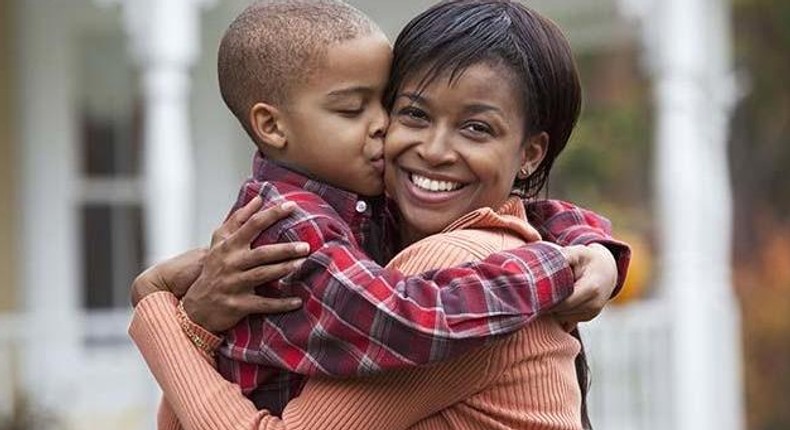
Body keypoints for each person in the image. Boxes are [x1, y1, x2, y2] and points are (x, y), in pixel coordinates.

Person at [131, 0, 630, 428]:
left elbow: (407, 315)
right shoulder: (307, 228)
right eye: (411, 112)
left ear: (531, 154)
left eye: (477, 128)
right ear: (273, 125)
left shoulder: (449, 259)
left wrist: (162, 311)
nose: (431, 149)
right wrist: (193, 321)